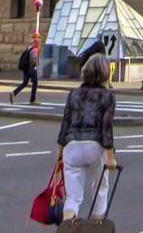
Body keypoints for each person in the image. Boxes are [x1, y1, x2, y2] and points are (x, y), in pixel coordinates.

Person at [57, 52, 118, 224]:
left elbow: (65, 123)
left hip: (72, 145)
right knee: (99, 190)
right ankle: (95, 226)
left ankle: (67, 225)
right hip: (94, 146)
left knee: (73, 196)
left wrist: (60, 151)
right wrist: (110, 157)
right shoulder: (107, 96)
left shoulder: (74, 93)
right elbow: (106, 127)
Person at [11, 40, 40, 104]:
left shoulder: (28, 48)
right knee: (35, 84)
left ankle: (14, 93)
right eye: (38, 43)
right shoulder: (35, 50)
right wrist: (35, 66)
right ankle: (32, 100)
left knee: (24, 83)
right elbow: (34, 60)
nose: (38, 44)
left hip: (26, 68)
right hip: (32, 68)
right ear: (35, 43)